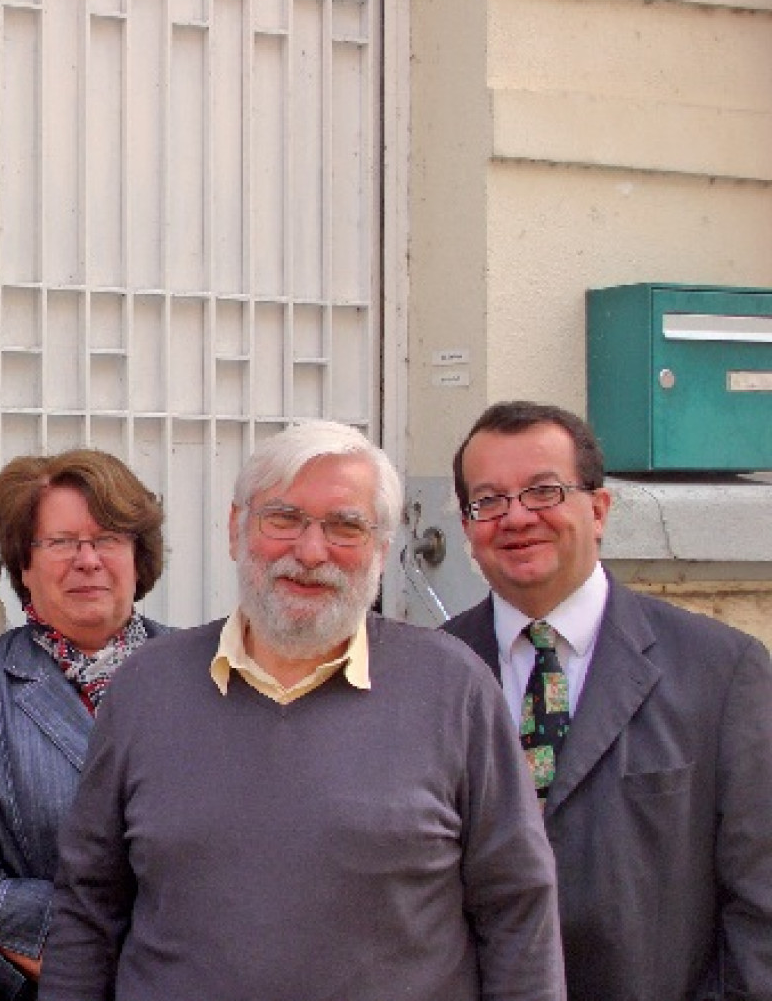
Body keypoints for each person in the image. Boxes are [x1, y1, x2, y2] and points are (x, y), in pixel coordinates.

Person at [38, 421, 564, 1001]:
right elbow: (87, 911)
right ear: (237, 529)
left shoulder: (454, 688)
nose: (311, 553)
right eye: (283, 519)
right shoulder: (146, 688)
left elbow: (517, 909)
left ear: (382, 552)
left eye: (345, 527)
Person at [444, 400, 772, 1001]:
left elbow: (762, 905)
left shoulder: (722, 672)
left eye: (543, 491)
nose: (516, 518)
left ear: (598, 510)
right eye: (488, 501)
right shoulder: (433, 673)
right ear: (466, 528)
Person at [0, 449, 169, 1001]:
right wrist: (107, 957)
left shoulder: (204, 673)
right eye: (60, 542)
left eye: (108, 538)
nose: (87, 559)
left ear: (138, 556)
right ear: (24, 564)